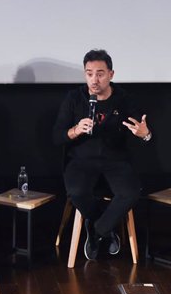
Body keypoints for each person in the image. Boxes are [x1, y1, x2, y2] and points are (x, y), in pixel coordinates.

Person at [53, 49, 152, 260]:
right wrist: (75, 130)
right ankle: (106, 227)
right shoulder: (74, 98)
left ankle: (97, 231)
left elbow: (143, 131)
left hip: (115, 159)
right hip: (81, 160)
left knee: (131, 193)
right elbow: (56, 136)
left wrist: (145, 134)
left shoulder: (124, 99)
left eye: (100, 73)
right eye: (89, 74)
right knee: (77, 192)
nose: (94, 80)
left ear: (111, 75)